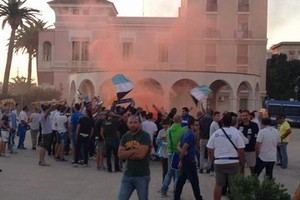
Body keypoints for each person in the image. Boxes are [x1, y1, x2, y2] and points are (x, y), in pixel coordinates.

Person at [207, 113, 245, 200]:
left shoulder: (216, 134)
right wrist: (241, 162)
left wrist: (213, 160)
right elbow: (241, 150)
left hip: (219, 162)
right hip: (233, 162)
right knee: (234, 186)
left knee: (219, 185)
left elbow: (210, 149)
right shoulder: (236, 134)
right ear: (231, 122)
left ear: (222, 122)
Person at [117, 115, 152, 200]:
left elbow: (141, 155)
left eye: (135, 122)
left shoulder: (145, 136)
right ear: (127, 124)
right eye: (131, 122)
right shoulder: (125, 136)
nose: (133, 125)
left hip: (142, 175)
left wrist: (127, 153)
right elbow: (120, 155)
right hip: (127, 174)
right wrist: (133, 151)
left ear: (140, 124)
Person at [174, 118, 203, 200]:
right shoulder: (190, 135)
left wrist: (182, 156)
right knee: (194, 182)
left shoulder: (186, 133)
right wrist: (181, 160)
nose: (198, 127)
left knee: (181, 180)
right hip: (189, 161)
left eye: (198, 125)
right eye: (196, 125)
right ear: (191, 126)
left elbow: (178, 146)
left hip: (186, 161)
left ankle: (176, 197)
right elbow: (183, 148)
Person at [158, 115, 185, 197]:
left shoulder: (169, 130)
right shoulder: (182, 130)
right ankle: (176, 192)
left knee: (169, 172)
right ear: (180, 120)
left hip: (169, 152)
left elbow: (167, 139)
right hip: (177, 153)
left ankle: (164, 189)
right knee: (177, 173)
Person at [238, 109, 259, 175]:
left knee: (252, 168)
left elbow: (257, 138)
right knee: (241, 168)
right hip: (242, 150)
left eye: (246, 115)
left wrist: (256, 150)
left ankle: (253, 183)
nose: (244, 117)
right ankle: (241, 183)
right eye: (243, 116)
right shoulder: (239, 125)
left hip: (251, 151)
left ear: (249, 116)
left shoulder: (254, 125)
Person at [156, 118, 171, 182]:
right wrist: (161, 139)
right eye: (163, 125)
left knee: (170, 170)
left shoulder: (171, 131)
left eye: (166, 124)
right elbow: (157, 142)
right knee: (164, 169)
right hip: (163, 152)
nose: (165, 126)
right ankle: (164, 184)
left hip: (170, 152)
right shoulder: (161, 131)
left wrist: (167, 138)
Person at [199, 108, 213, 173]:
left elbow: (200, 129)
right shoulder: (211, 120)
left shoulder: (201, 120)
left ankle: (201, 168)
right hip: (209, 139)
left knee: (201, 154)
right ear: (210, 113)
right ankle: (208, 168)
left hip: (202, 138)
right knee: (209, 154)